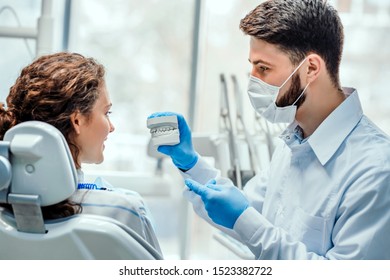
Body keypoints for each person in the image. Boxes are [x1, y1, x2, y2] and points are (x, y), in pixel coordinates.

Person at [149, 0, 390, 259]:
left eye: (263, 68)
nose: (252, 80)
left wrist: (244, 220)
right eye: (252, 66)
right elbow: (242, 212)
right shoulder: (295, 143)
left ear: (311, 68)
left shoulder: (376, 170)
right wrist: (190, 163)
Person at [0, 52, 161, 254]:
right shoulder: (123, 211)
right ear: (77, 121)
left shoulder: (4, 212)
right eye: (106, 113)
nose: (111, 127)